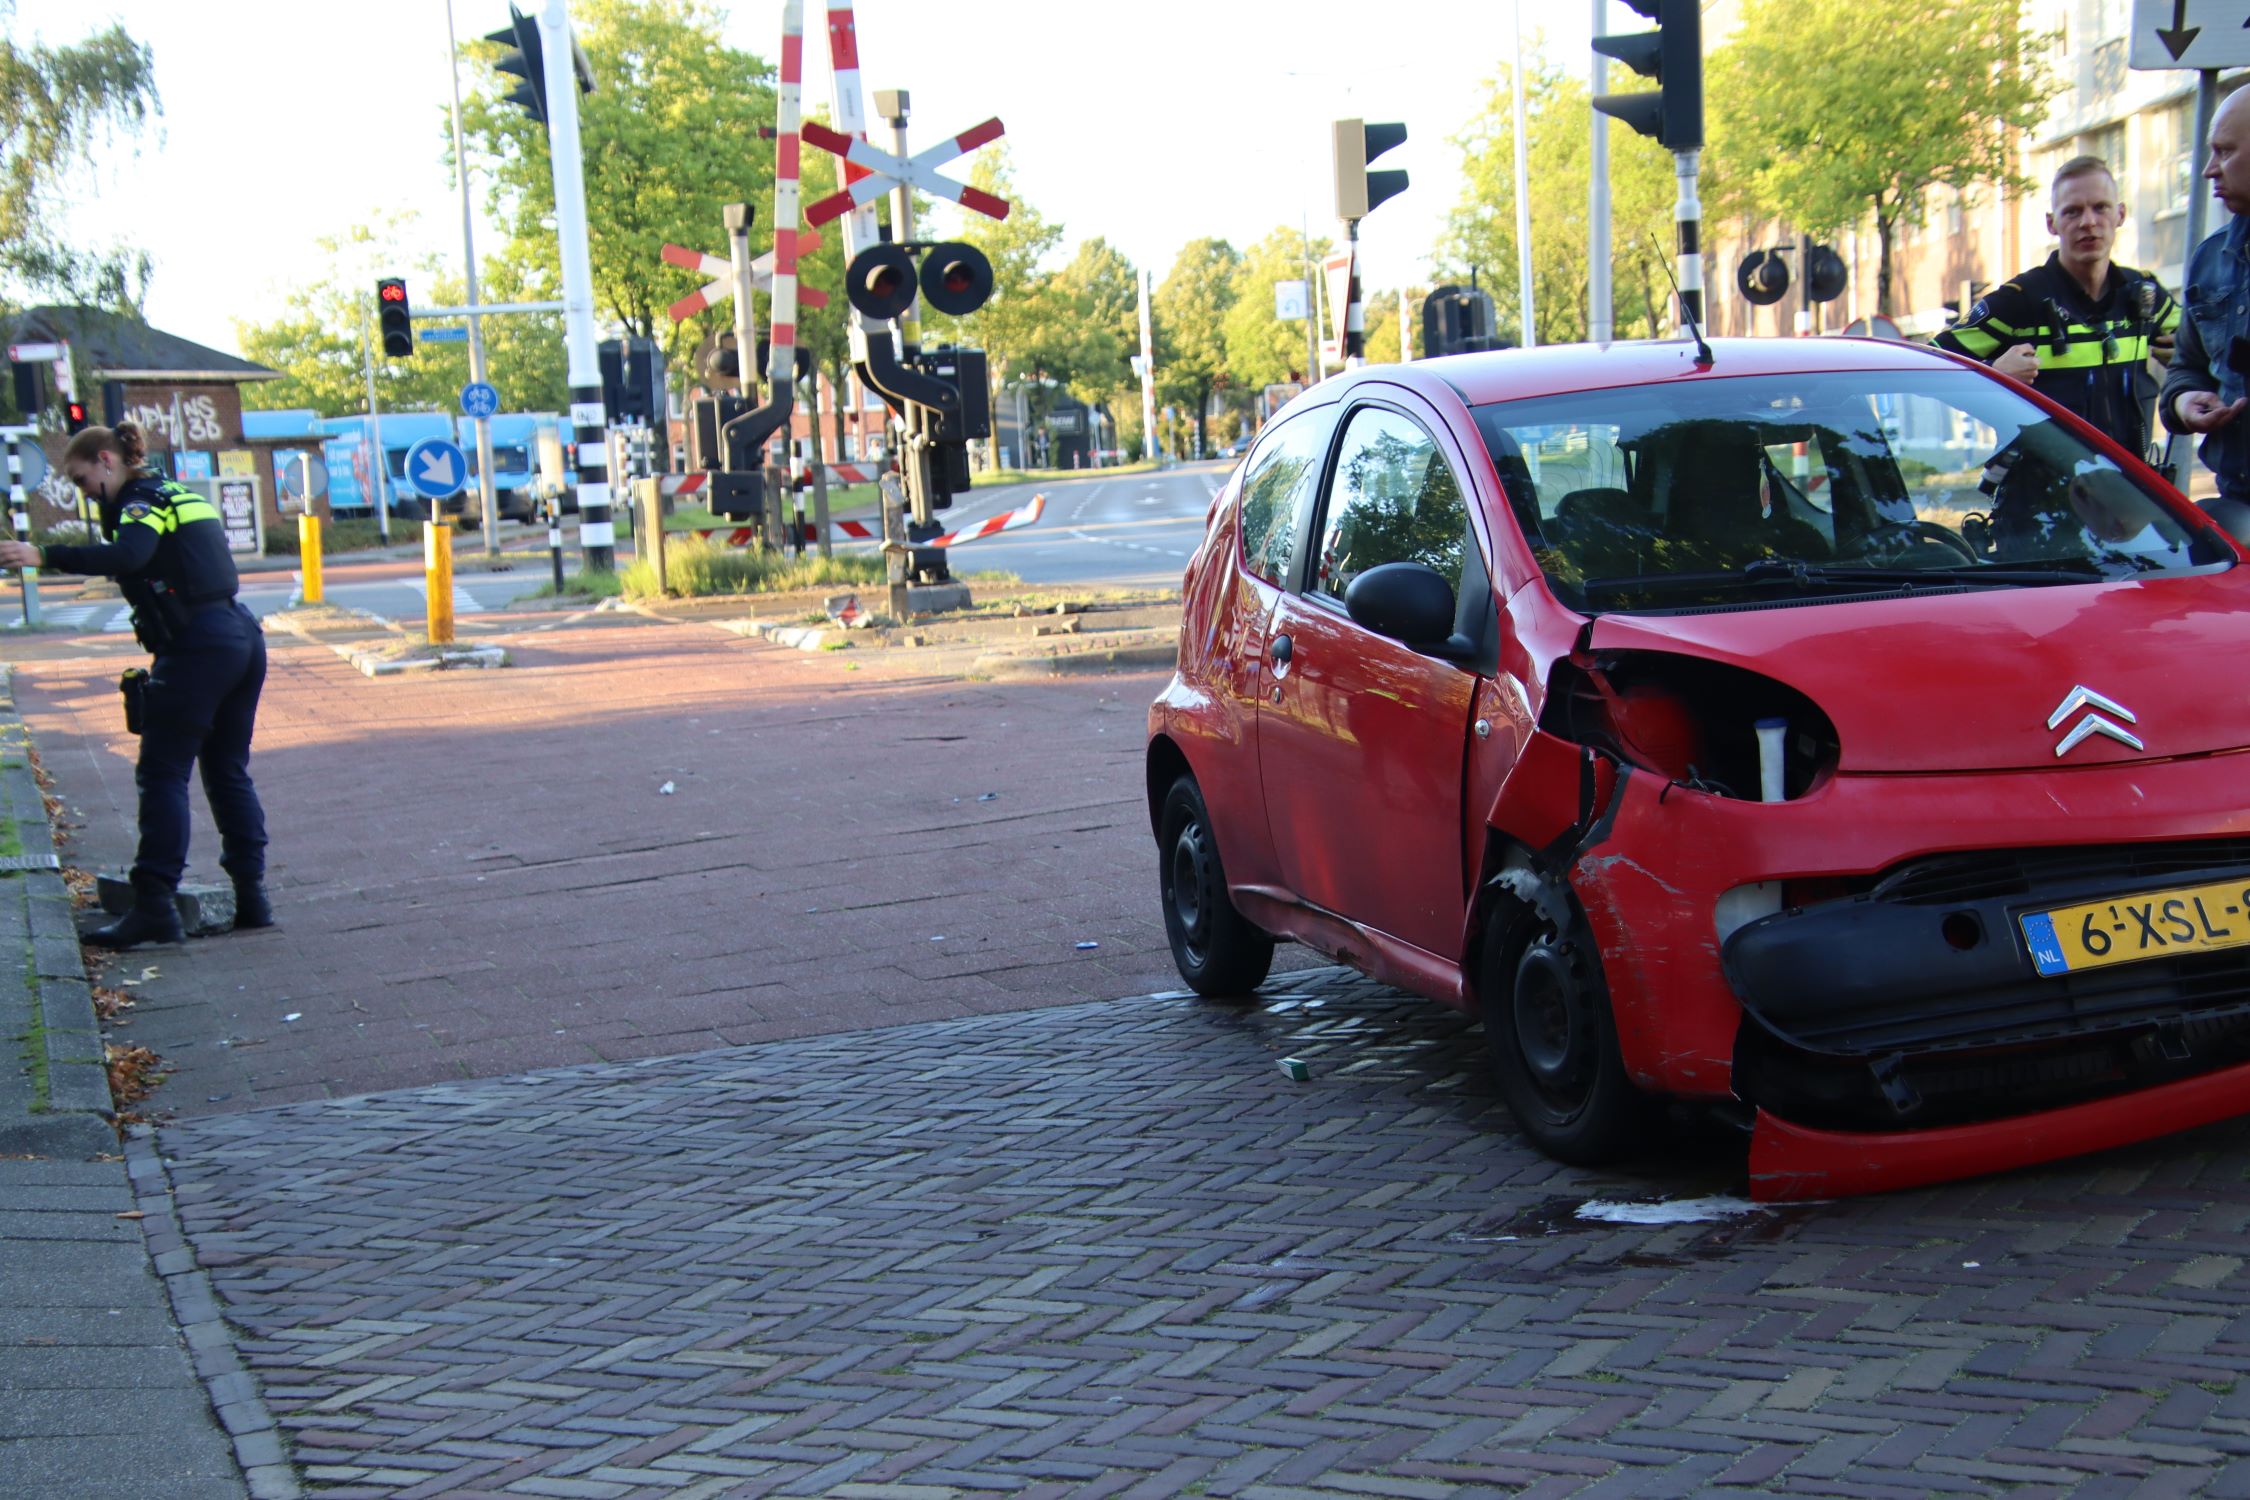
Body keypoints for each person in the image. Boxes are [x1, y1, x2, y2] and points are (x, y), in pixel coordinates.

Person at [0, 422, 270, 948]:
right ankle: (252, 896)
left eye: (83, 482)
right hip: (240, 636)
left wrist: (44, 554)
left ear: (107, 461)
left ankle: (153, 908)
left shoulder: (141, 500)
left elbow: (130, 556)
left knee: (162, 773)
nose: (84, 494)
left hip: (198, 646)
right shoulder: (177, 491)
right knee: (226, 769)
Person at [1936, 155, 2178, 459]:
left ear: (2120, 214)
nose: (2088, 222)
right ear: (2052, 224)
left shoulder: (2145, 296)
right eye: (2072, 212)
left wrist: (2186, 357)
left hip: (2127, 492)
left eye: (2100, 207)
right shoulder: (2019, 300)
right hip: (2042, 498)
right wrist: (1993, 377)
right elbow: (1929, 364)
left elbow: (2205, 353)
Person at [2162, 86, 2250, 502]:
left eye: (2225, 151)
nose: (2208, 170)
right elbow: (2185, 367)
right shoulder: (2210, 258)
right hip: (2237, 506)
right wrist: (2183, 402)